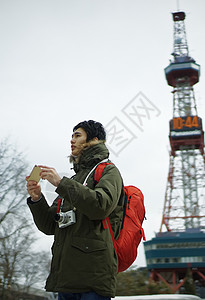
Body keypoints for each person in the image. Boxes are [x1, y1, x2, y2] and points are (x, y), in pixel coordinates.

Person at [26, 120, 124, 300]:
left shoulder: (109, 171)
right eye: (71, 136)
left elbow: (100, 207)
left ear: (94, 140)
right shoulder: (74, 179)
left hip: (93, 279)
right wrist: (37, 199)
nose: (72, 140)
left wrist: (60, 183)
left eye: (78, 135)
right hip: (66, 279)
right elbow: (49, 226)